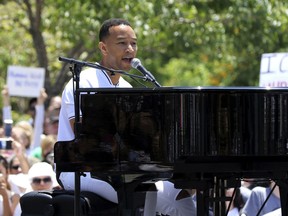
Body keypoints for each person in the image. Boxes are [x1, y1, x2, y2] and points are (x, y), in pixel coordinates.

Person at [56, 18, 137, 206]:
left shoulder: (127, 87)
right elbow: (86, 139)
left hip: (119, 167)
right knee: (141, 194)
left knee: (170, 192)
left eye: (134, 43)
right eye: (122, 43)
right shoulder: (84, 82)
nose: (130, 49)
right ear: (103, 48)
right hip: (79, 170)